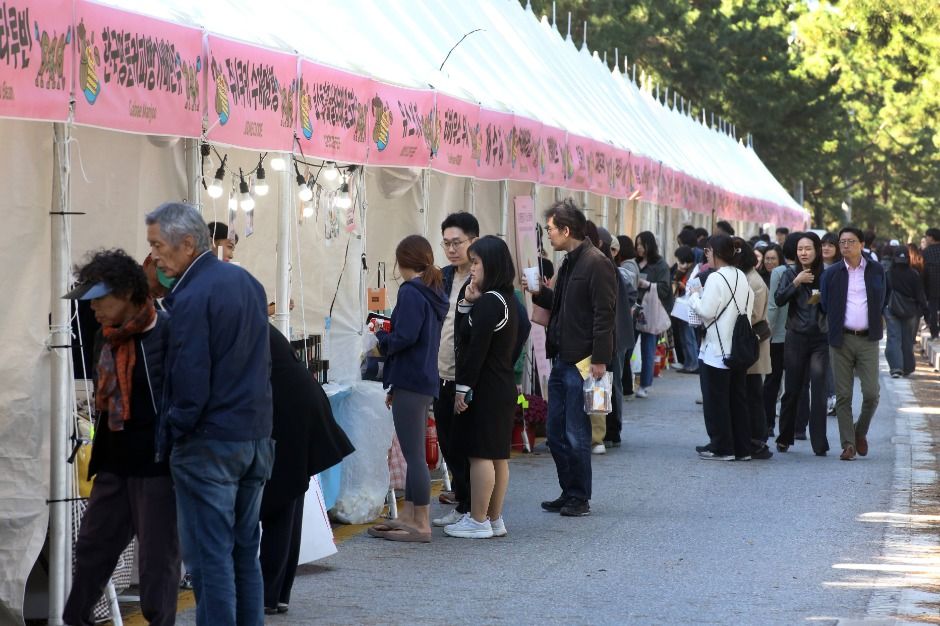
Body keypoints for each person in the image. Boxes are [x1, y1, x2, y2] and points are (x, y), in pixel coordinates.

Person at [146, 202, 274, 626]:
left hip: (210, 442)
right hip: (252, 436)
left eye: (158, 246)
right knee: (242, 554)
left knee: (210, 560)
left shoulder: (192, 294)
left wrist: (176, 430)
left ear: (187, 244)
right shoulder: (247, 284)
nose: (155, 257)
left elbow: (189, 376)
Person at [62, 250, 180, 626]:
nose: (93, 307)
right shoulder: (104, 337)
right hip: (113, 463)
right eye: (90, 298)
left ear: (129, 292)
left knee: (157, 563)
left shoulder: (168, 333)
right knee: (92, 551)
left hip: (157, 467)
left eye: (100, 297)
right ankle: (74, 619)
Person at [529, 199, 616, 517]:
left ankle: (580, 496)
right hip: (563, 358)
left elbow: (605, 314)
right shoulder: (569, 262)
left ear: (566, 230)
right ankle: (569, 490)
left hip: (583, 361)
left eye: (551, 229)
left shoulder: (596, 262)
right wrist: (539, 292)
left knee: (576, 433)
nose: (548, 235)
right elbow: (563, 305)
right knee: (555, 431)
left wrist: (600, 359)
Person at [260, 326, 354, 614]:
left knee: (280, 499)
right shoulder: (249, 317)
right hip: (298, 405)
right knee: (289, 498)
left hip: (289, 412)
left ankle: (268, 594)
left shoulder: (234, 321)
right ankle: (276, 593)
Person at [369, 235, 448, 541]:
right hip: (420, 378)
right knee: (414, 451)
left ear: (403, 261)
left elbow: (405, 337)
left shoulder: (411, 292)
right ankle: (411, 515)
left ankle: (422, 523)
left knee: (415, 455)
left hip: (412, 380)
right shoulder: (433, 291)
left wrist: (380, 338)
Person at [444, 236, 521, 538]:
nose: (472, 268)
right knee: (498, 454)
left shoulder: (491, 302)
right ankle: (493, 518)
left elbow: (473, 347)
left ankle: (477, 520)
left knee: (479, 454)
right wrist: (466, 304)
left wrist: (463, 387)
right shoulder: (506, 298)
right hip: (501, 384)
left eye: (476, 262)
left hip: (486, 387)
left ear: (492, 264)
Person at [820, 226, 887, 461]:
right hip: (841, 339)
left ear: (861, 244)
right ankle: (848, 444)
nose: (845, 246)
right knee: (843, 396)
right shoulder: (832, 273)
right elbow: (825, 304)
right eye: (842, 242)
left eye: (850, 241)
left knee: (871, 394)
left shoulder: (876, 270)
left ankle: (860, 432)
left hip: (868, 339)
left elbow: (882, 298)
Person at [689, 234, 754, 461]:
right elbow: (749, 304)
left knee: (716, 400)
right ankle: (741, 448)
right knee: (737, 400)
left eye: (708, 252)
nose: (706, 255)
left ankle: (722, 447)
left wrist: (694, 298)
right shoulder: (741, 276)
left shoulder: (716, 278)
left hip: (717, 349)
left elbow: (706, 311)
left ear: (715, 253)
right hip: (737, 347)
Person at [431, 212, 478, 528]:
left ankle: (475, 508)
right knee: (447, 442)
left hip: (467, 376)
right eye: (446, 243)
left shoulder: (483, 278)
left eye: (456, 242)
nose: (450, 249)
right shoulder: (442, 277)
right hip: (440, 373)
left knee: (467, 444)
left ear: (473, 240)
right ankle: (463, 503)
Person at [774, 232, 830, 456]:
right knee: (793, 389)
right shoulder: (789, 273)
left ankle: (819, 442)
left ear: (816, 251)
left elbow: (827, 305)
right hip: (796, 337)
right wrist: (797, 282)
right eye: (800, 249)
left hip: (820, 339)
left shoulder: (826, 275)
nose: (804, 253)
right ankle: (785, 437)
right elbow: (779, 300)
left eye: (808, 248)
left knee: (818, 391)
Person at [599, 227, 636, 448]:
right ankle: (606, 431)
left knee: (609, 383)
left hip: (612, 336)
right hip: (612, 334)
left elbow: (630, 295)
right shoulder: (609, 268)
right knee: (607, 383)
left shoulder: (610, 270)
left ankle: (609, 430)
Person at [735, 238, 773, 460]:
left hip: (751, 347)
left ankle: (758, 439)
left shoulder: (754, 282)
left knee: (753, 394)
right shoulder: (745, 278)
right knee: (749, 394)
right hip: (748, 346)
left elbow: (753, 316)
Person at [634, 231, 673, 398]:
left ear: (650, 245)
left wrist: (648, 284)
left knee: (648, 348)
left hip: (651, 311)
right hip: (633, 308)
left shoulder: (660, 265)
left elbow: (665, 288)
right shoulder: (634, 262)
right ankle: (628, 381)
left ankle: (644, 385)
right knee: (627, 348)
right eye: (637, 245)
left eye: (642, 245)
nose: (639, 248)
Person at [883, 248, 927, 378]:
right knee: (907, 339)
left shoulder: (889, 273)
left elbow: (884, 294)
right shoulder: (914, 274)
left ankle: (896, 368)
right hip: (910, 311)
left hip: (891, 310)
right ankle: (907, 367)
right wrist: (923, 310)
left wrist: (882, 308)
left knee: (893, 338)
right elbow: (920, 294)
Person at [615, 235, 640, 398]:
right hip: (604, 345)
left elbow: (631, 294)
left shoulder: (625, 268)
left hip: (613, 335)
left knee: (618, 368)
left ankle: (608, 419)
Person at [671, 245, 698, 373]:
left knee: (688, 336)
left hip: (689, 307)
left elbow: (694, 287)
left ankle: (693, 364)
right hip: (682, 307)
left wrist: (682, 284)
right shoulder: (686, 270)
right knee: (684, 336)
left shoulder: (694, 270)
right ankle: (688, 363)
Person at [923, 227, 940, 339]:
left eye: (927, 236)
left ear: (932, 238)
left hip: (932, 286)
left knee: (933, 310)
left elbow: (924, 270)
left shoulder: (926, 252)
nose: (926, 239)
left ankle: (934, 334)